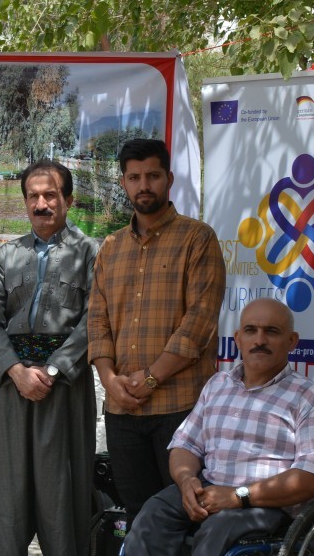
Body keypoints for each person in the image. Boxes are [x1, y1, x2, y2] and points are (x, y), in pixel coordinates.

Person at [89, 298, 314, 556]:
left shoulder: (310, 400)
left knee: (218, 529)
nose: (260, 340)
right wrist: (187, 479)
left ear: (292, 341)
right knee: (154, 512)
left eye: (271, 332)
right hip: (209, 486)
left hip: (265, 501)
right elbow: (185, 445)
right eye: (251, 331)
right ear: (237, 337)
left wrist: (240, 496)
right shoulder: (219, 385)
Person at [0, 160, 99, 556]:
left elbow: (94, 319)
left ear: (67, 199)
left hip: (63, 387)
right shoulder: (7, 257)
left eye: (51, 196)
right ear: (25, 201)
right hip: (12, 387)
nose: (42, 204)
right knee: (4, 490)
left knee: (62, 488)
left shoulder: (91, 254)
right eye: (33, 197)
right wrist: (16, 370)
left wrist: (50, 370)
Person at [87, 138, 224, 522]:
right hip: (121, 411)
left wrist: (149, 380)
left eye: (152, 175)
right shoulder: (110, 248)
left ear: (169, 179)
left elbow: (198, 324)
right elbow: (97, 321)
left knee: (186, 516)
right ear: (123, 183)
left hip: (179, 409)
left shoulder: (198, 239)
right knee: (140, 518)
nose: (143, 185)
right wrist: (108, 379)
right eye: (134, 177)